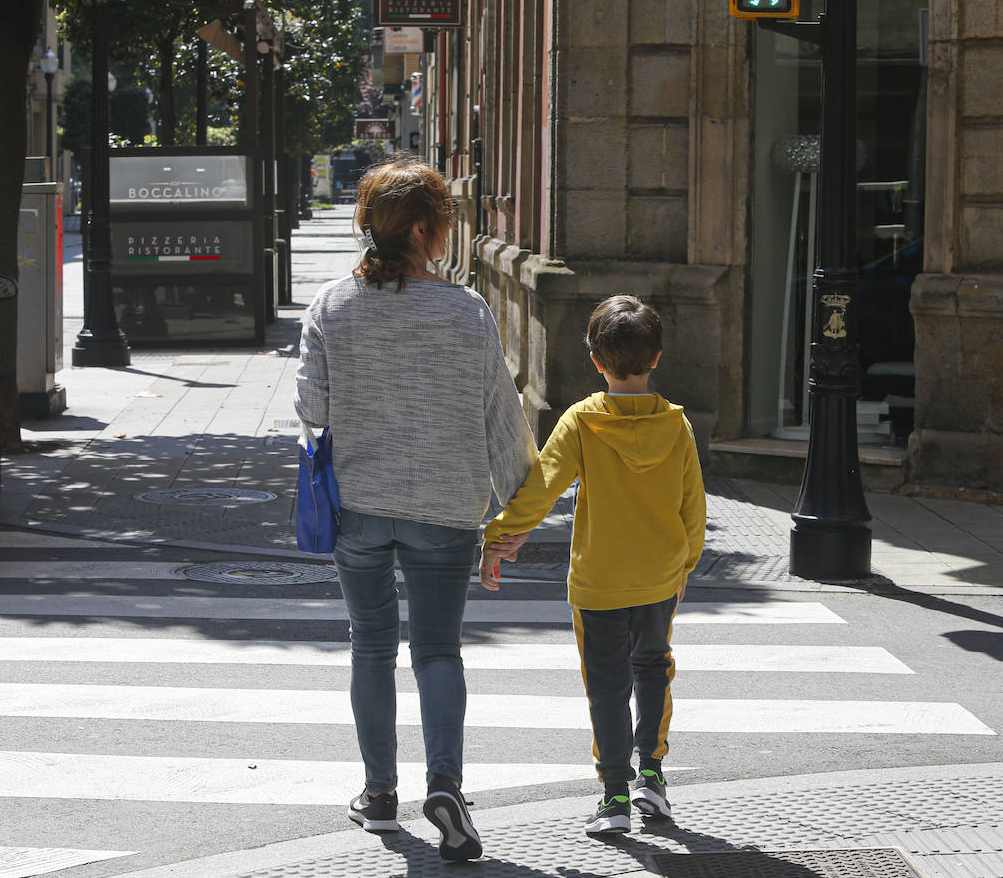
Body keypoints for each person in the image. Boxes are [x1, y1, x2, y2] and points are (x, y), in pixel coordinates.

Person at [295, 154, 536, 861]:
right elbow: (502, 419)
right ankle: (447, 784)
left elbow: (311, 408)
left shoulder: (331, 306)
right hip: (446, 508)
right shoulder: (466, 312)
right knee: (437, 649)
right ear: (428, 231)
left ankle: (378, 795)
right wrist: (513, 518)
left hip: (359, 509)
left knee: (369, 646)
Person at [478, 295, 706, 835]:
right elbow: (692, 505)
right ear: (656, 358)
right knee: (654, 669)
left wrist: (501, 536)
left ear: (596, 360)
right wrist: (685, 569)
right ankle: (653, 775)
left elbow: (543, 485)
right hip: (658, 576)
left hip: (599, 581)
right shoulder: (677, 426)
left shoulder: (582, 421)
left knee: (606, 685)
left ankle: (614, 797)